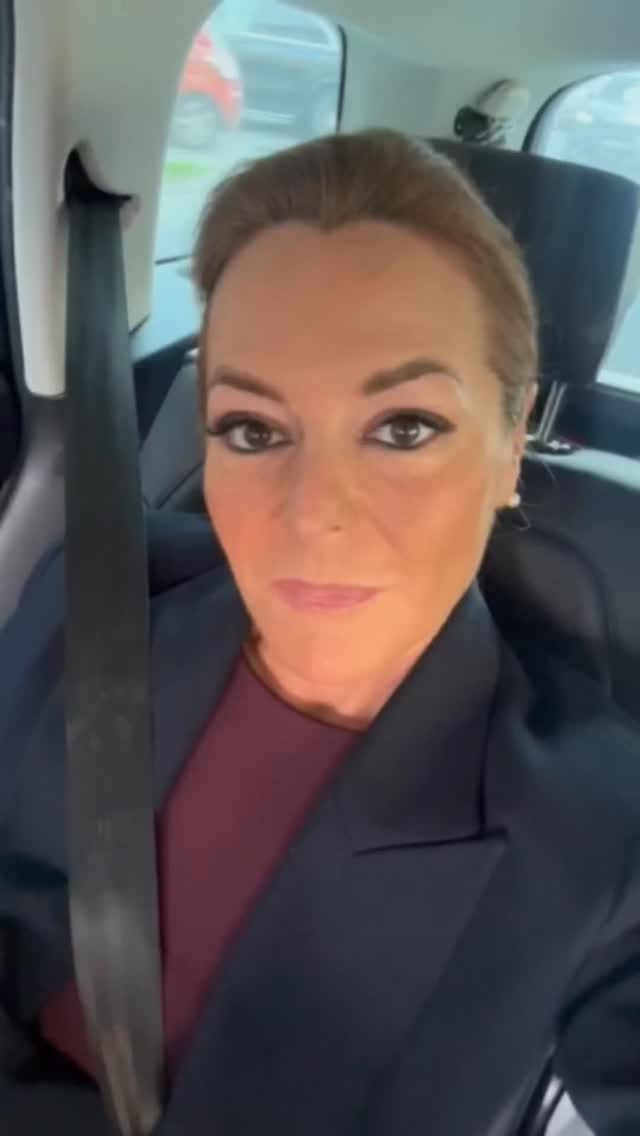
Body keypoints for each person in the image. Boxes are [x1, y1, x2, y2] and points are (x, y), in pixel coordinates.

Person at [1, 130, 639, 1136]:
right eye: (253, 430)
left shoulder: (599, 834)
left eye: (404, 428)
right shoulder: (99, 593)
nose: (313, 516)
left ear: (511, 443)